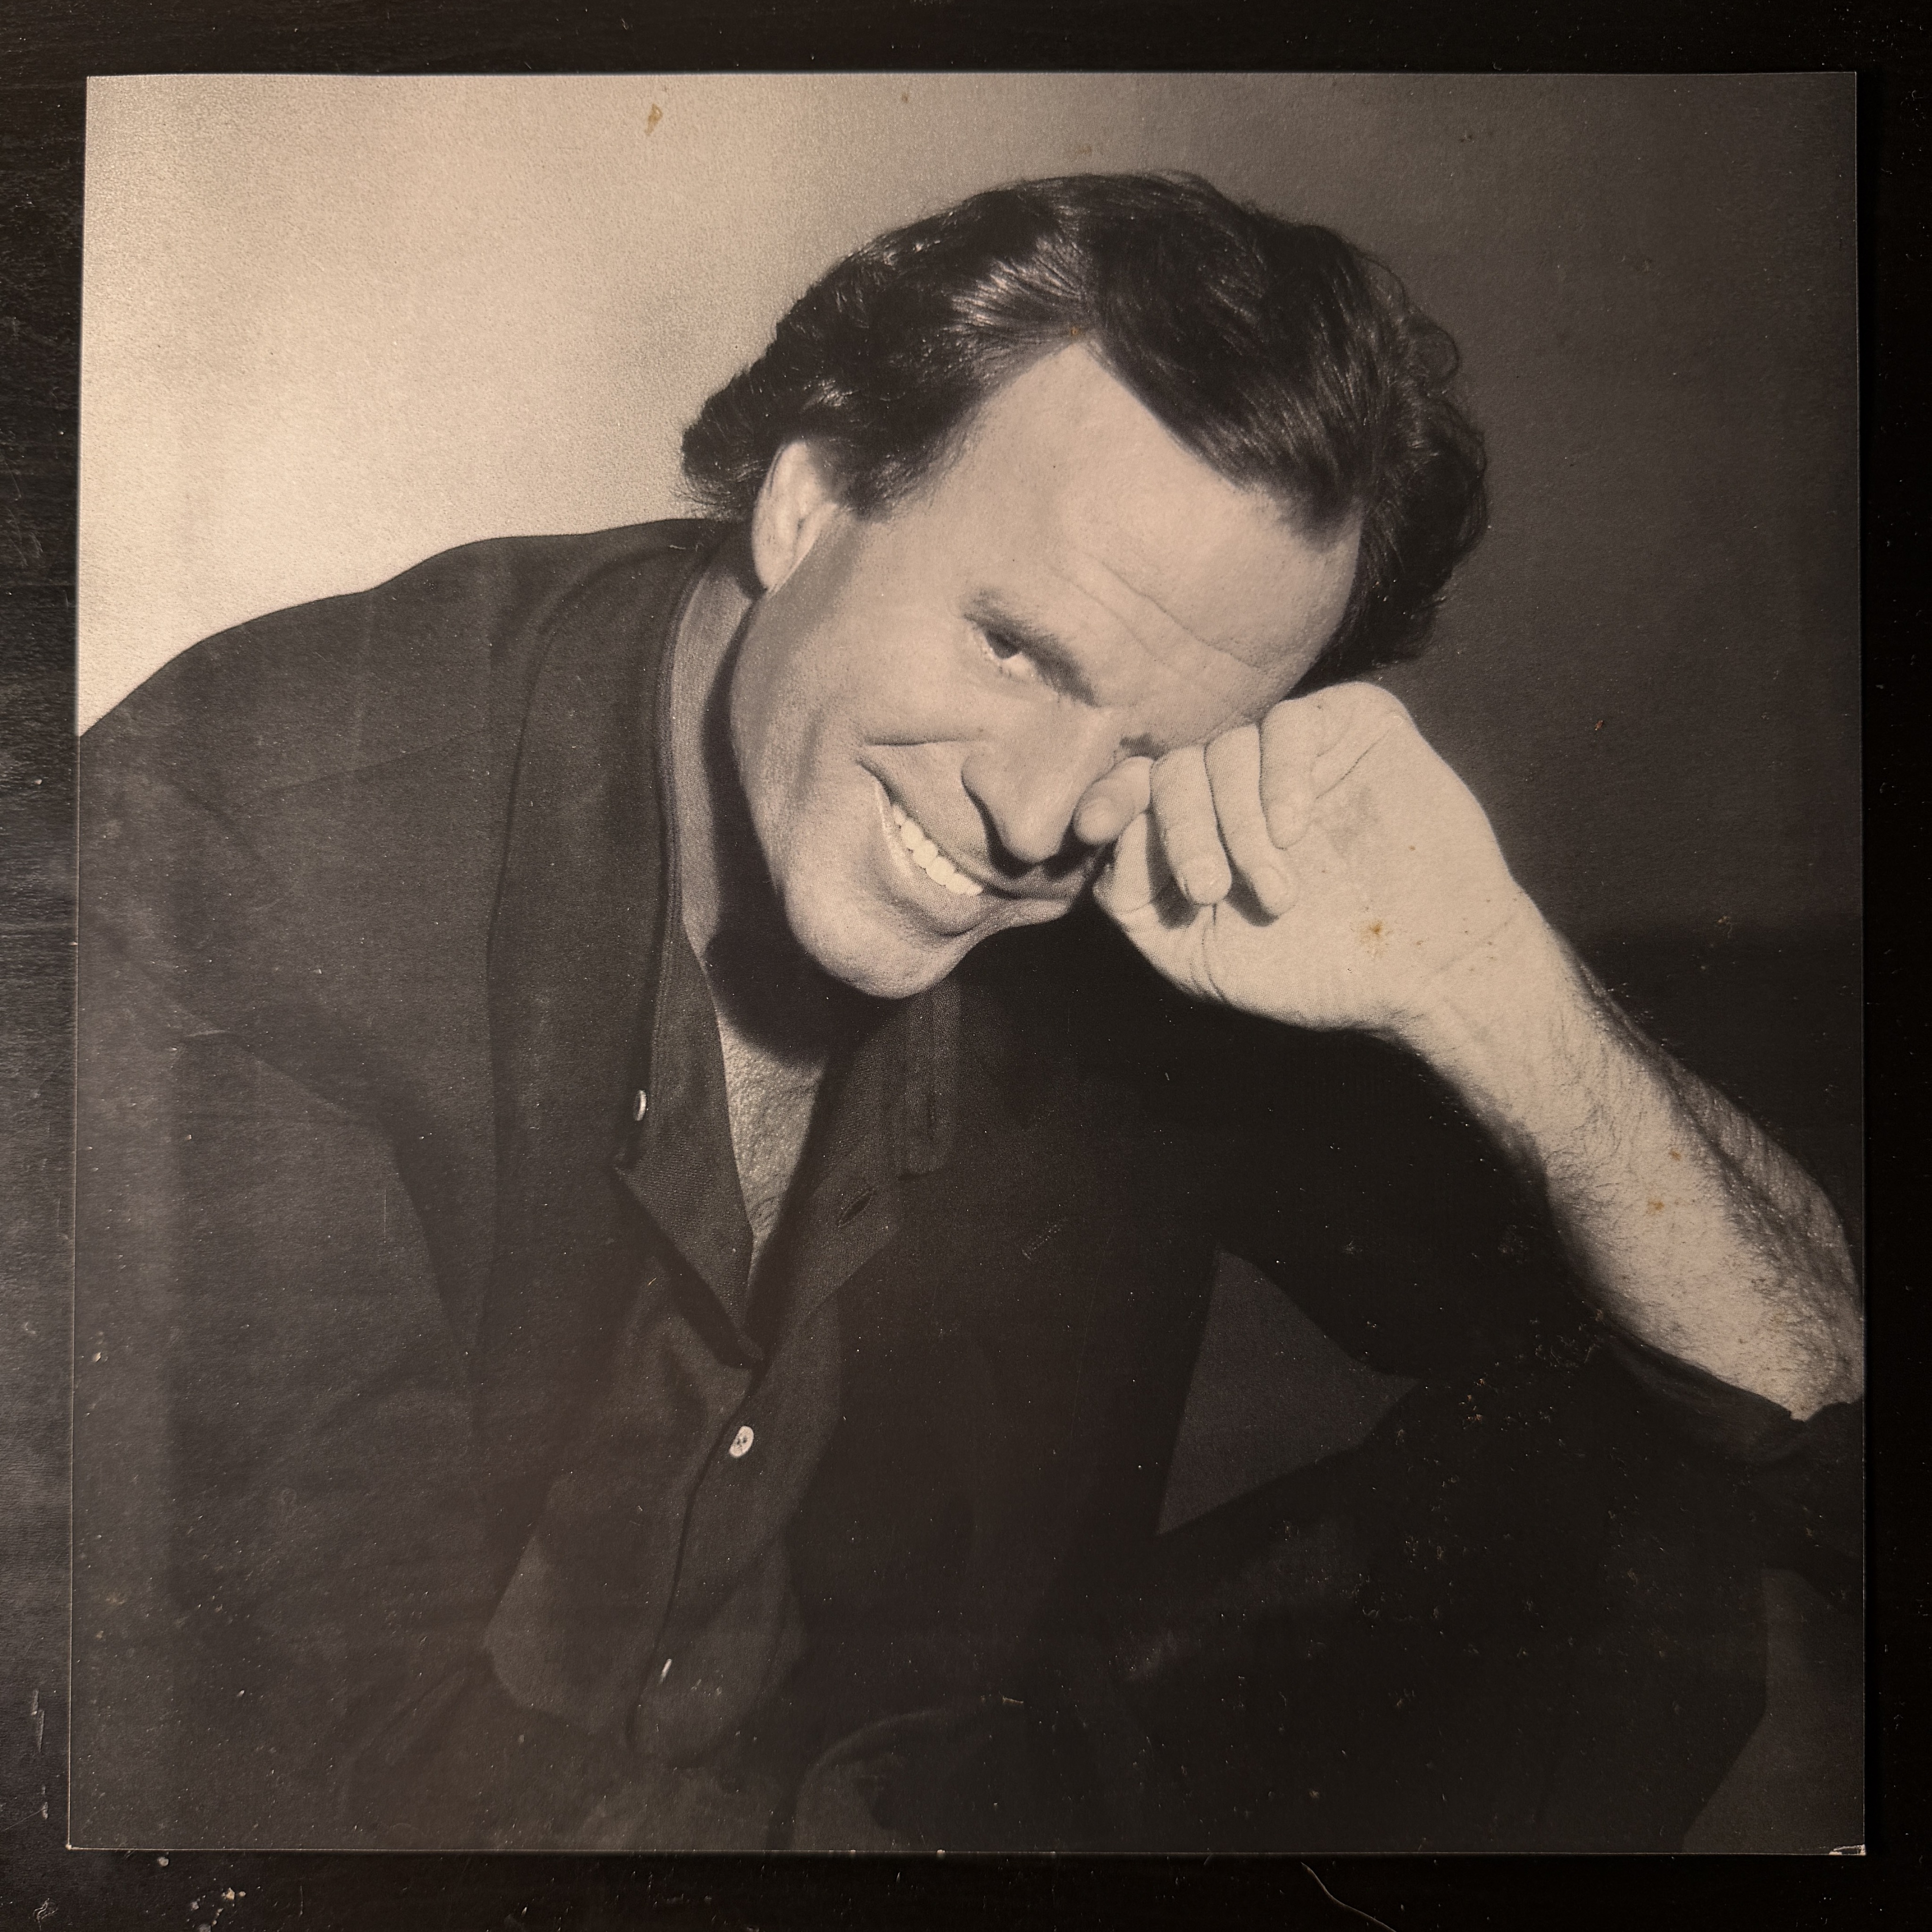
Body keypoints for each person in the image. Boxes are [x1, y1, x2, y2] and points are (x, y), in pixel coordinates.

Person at [71, 173, 1862, 1854]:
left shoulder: (1147, 876)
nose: (1038, 813)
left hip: (903, 1816)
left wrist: (1494, 978)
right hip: (457, 1856)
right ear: (809, 502)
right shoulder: (239, 855)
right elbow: (337, 1749)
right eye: (1016, 648)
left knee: (1651, 1497)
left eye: (1161, 741)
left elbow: (1790, 1392)